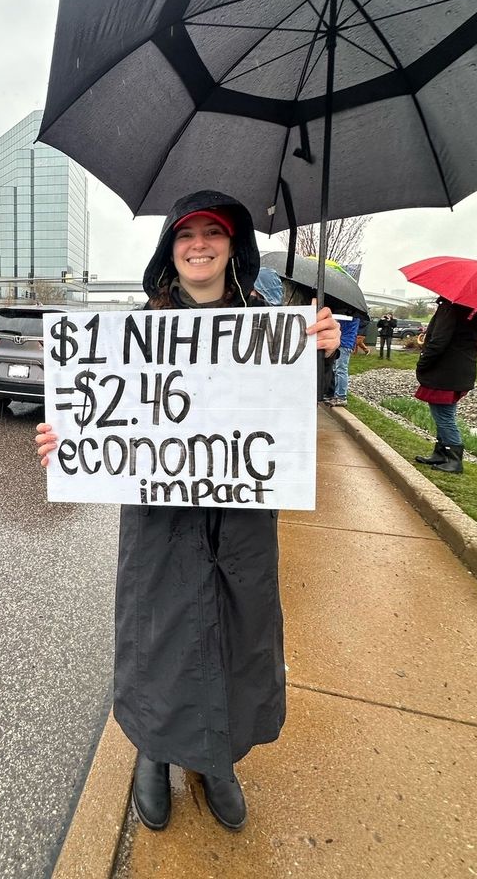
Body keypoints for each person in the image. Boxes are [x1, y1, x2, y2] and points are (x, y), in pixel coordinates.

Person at [35, 191, 340, 834]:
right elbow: (101, 413)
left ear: (233, 249)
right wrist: (69, 441)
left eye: (213, 234)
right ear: (169, 250)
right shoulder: (136, 330)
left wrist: (320, 350)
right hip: (159, 520)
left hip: (241, 521)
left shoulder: (270, 324)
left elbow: (293, 416)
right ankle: (153, 749)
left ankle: (219, 758)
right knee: (158, 634)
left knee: (235, 635)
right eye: (186, 235)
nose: (199, 244)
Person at [414, 298, 477, 474]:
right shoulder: (474, 310)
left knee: (443, 415)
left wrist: (423, 363)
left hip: (445, 370)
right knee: (445, 413)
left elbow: (439, 341)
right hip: (460, 369)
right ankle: (441, 453)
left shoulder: (450, 308)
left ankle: (454, 459)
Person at [329, 316, 360, 406]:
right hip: (342, 342)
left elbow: (340, 326)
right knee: (336, 369)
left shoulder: (349, 316)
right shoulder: (350, 315)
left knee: (341, 370)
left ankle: (341, 396)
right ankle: (337, 394)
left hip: (344, 343)